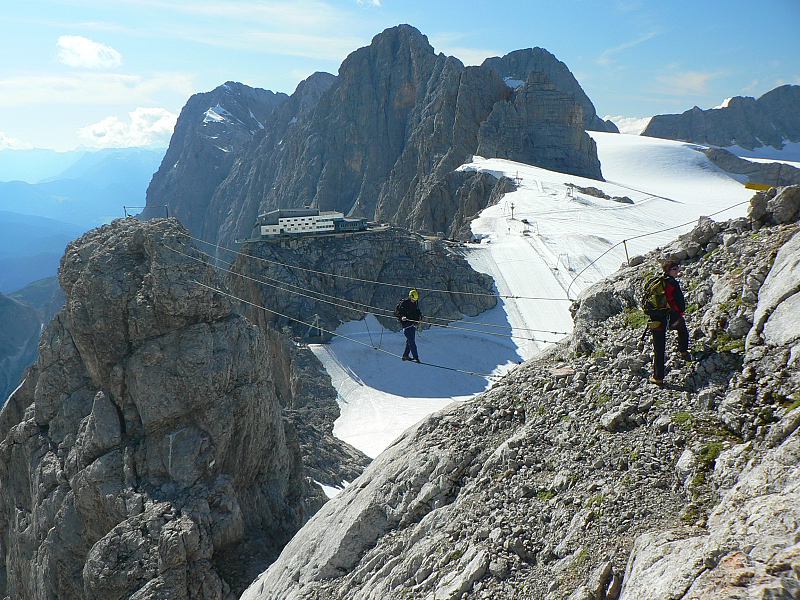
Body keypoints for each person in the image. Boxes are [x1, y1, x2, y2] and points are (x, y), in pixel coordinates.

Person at [649, 259, 690, 384]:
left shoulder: (657, 282)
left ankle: (658, 377)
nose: (677, 270)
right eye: (674, 268)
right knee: (682, 330)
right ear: (668, 270)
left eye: (677, 267)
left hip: (656, 318)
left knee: (659, 348)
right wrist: (680, 313)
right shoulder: (672, 283)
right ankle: (683, 351)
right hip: (671, 317)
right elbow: (680, 303)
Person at [396, 289, 422, 363]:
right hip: (406, 325)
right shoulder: (404, 304)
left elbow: (416, 311)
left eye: (415, 300)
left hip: (412, 324)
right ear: (410, 297)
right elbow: (398, 313)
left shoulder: (415, 304)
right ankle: (416, 357)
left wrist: (419, 316)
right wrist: (402, 318)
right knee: (411, 341)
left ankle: (405, 355)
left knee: (410, 340)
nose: (414, 301)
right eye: (413, 299)